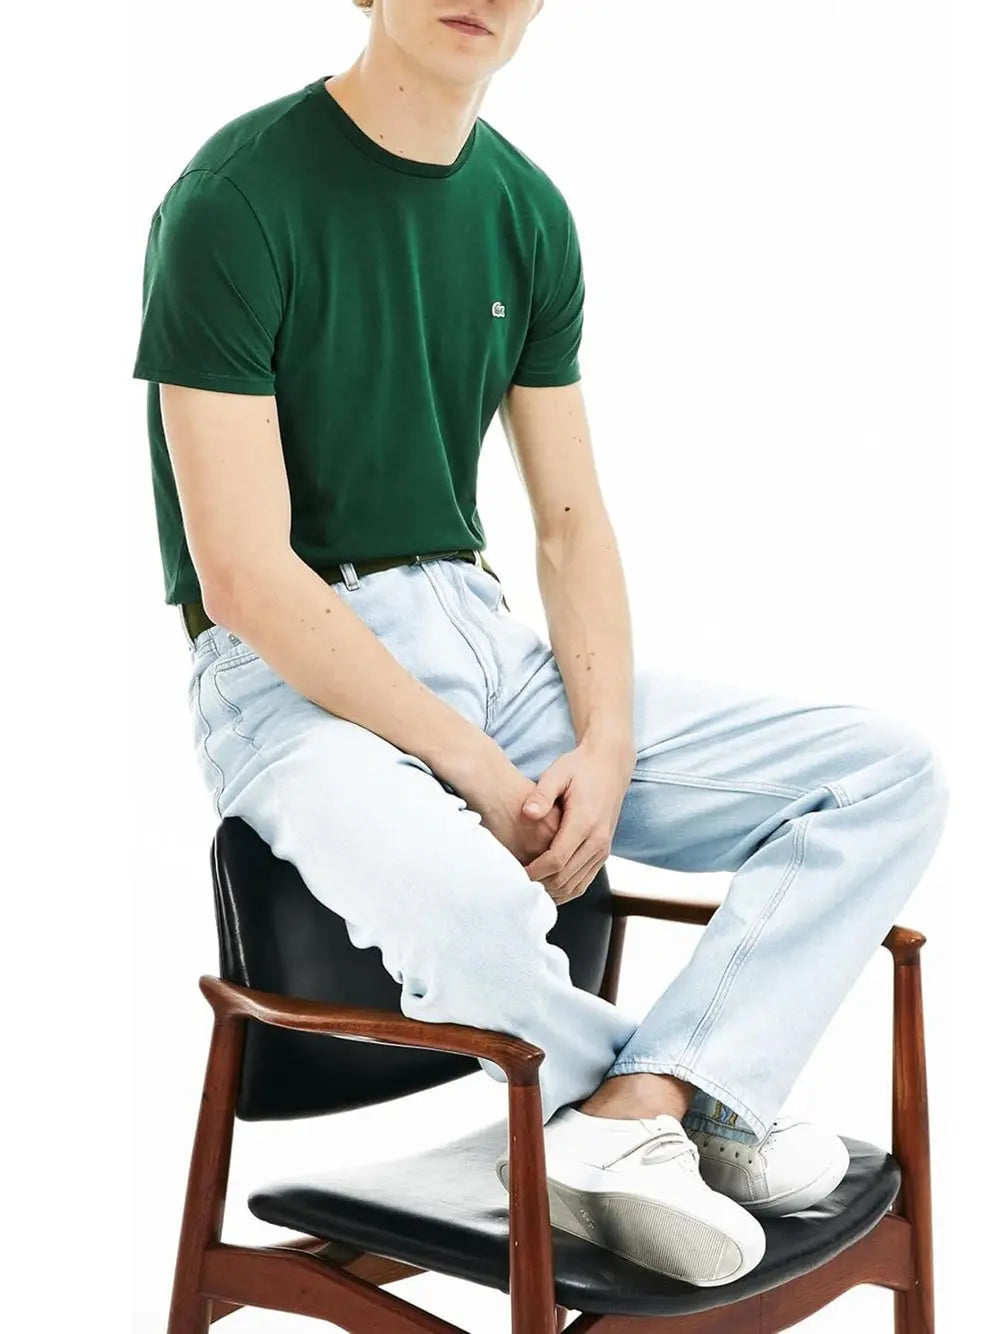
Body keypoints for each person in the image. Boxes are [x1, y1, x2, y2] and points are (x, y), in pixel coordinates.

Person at [131, 0, 949, 1288]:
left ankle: (651, 1106)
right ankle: (680, 1111)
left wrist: (606, 740)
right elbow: (245, 576)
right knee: (469, 907)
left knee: (884, 773)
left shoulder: (526, 209)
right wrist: (471, 766)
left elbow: (569, 525)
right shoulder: (234, 200)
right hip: (287, 677)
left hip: (478, 632)